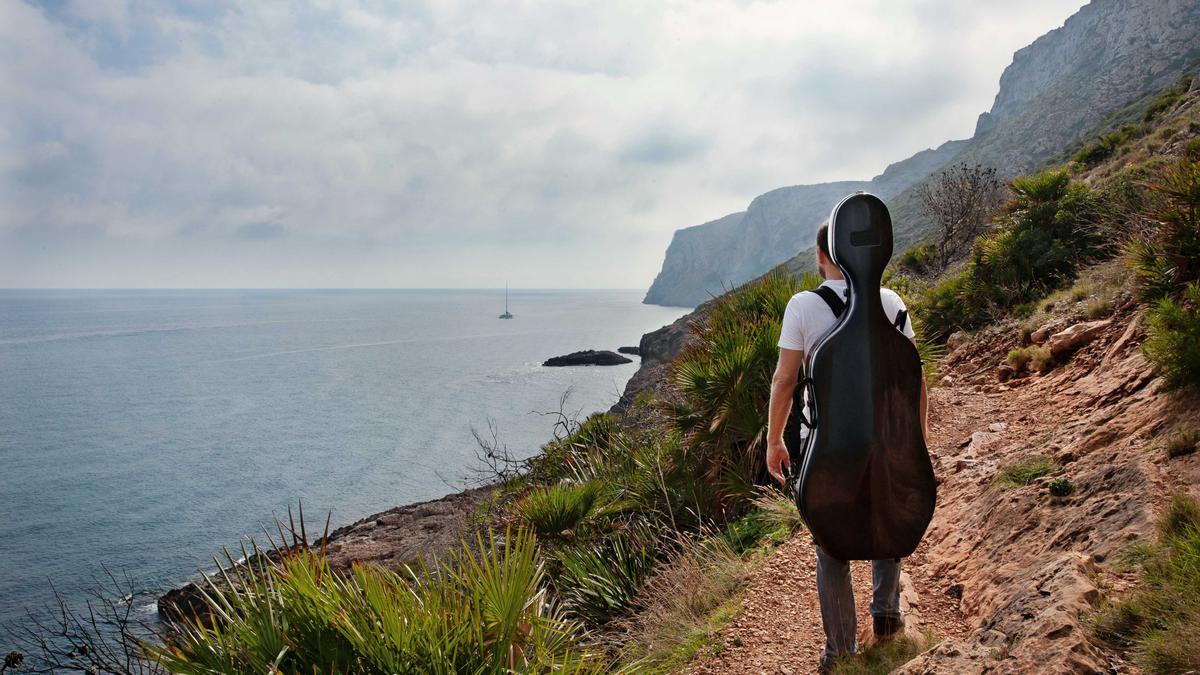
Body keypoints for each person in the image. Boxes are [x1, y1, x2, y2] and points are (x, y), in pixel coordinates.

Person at [764, 221, 928, 673]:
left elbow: (785, 381)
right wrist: (918, 440)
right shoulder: (890, 301)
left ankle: (840, 653)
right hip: (886, 440)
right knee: (886, 518)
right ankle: (888, 620)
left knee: (832, 544)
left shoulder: (804, 306)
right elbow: (914, 377)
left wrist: (775, 439)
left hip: (827, 447)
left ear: (822, 255)